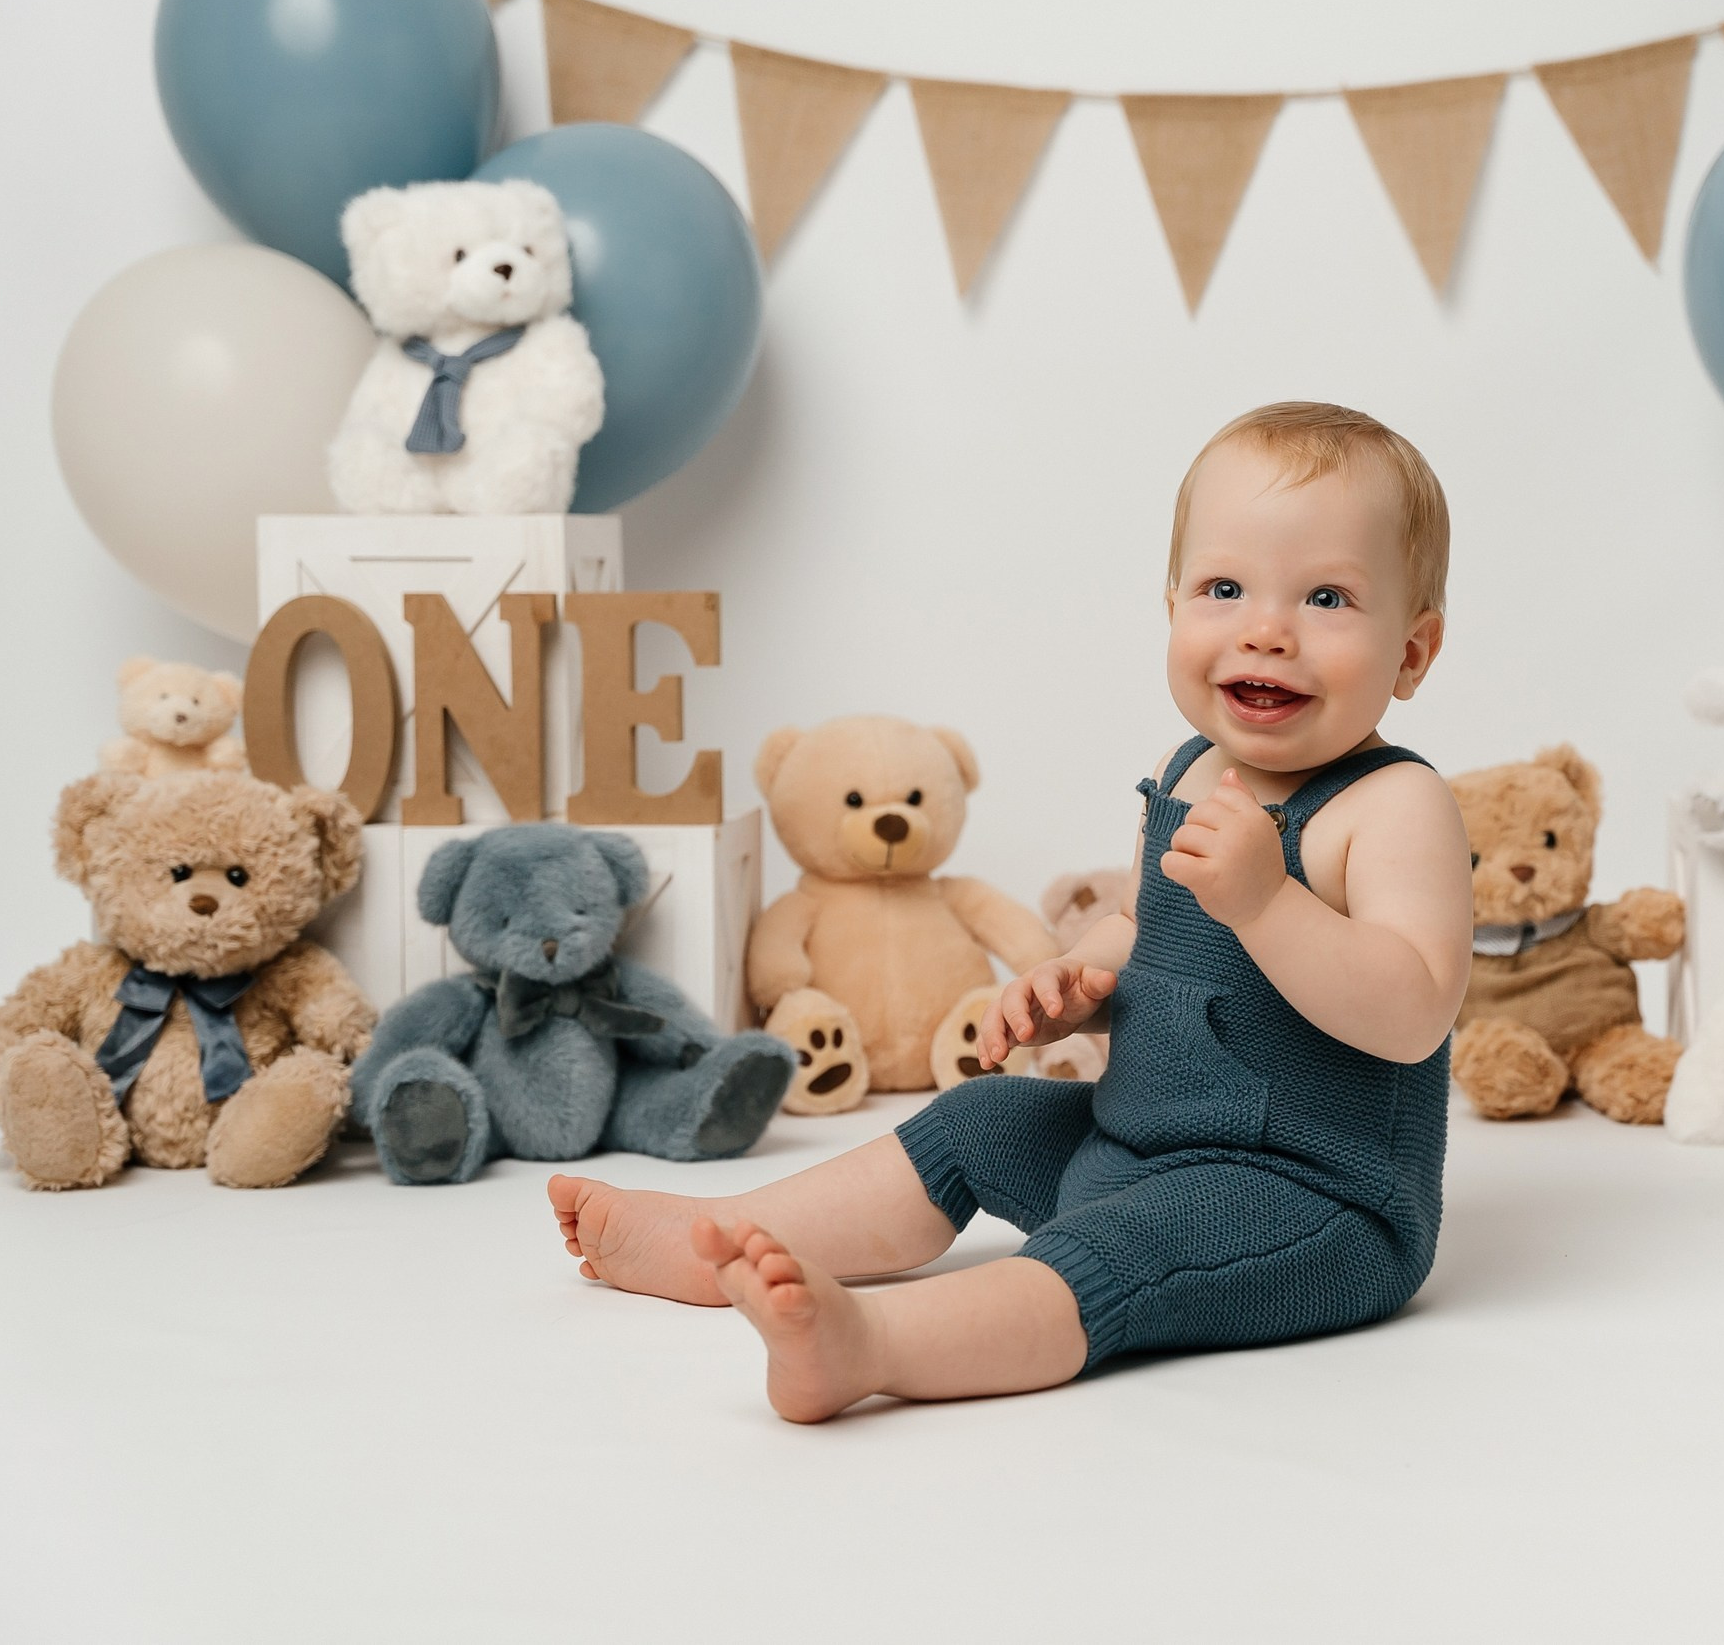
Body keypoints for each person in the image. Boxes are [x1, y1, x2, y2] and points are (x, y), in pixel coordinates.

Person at [549, 402, 1472, 1421]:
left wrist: (1268, 902)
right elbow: (1145, 927)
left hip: (1306, 1200)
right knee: (979, 1120)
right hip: (1132, 1144)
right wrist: (1077, 983)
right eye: (1223, 588)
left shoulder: (1392, 806)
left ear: (1411, 654)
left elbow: (1412, 1010)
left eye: (1328, 597)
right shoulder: (1189, 770)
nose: (1266, 628)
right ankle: (715, 1239)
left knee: (1114, 1255)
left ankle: (872, 1347)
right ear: (1170, 607)